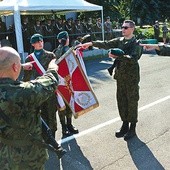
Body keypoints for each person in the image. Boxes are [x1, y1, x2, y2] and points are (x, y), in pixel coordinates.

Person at [0, 46, 66, 169]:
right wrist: (52, 68)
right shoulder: (24, 92)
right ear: (15, 67)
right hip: (29, 160)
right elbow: (50, 81)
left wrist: (21, 65)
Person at [81, 20, 143, 140]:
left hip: (131, 78)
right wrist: (90, 43)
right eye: (122, 27)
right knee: (121, 101)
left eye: (125, 27)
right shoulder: (119, 41)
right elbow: (106, 43)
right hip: (120, 77)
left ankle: (132, 128)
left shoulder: (136, 43)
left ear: (132, 29)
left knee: (132, 101)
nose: (123, 29)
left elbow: (133, 59)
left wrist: (119, 56)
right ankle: (124, 125)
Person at [22, 33, 58, 138]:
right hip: (38, 90)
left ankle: (53, 136)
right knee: (42, 114)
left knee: (52, 113)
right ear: (33, 44)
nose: (40, 43)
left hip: (50, 89)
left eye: (41, 41)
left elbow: (56, 72)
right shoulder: (29, 59)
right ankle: (45, 136)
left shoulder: (51, 55)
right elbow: (27, 77)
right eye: (37, 42)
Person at [53, 31, 79, 137]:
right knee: (63, 106)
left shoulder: (61, 50)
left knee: (68, 104)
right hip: (62, 82)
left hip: (68, 81)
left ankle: (69, 125)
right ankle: (65, 127)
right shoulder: (59, 51)